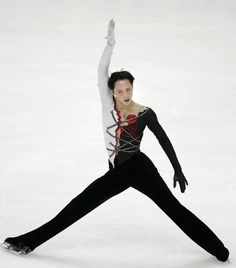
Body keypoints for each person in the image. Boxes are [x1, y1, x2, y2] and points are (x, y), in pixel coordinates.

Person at [2, 19, 229, 262]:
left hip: (140, 169)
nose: (125, 95)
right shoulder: (108, 106)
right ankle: (27, 243)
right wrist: (110, 45)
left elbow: (164, 139)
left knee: (175, 210)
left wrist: (177, 168)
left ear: (133, 87)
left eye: (128, 89)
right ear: (112, 91)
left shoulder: (144, 113)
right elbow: (101, 73)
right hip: (118, 173)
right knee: (77, 207)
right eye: (120, 91)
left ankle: (220, 251)